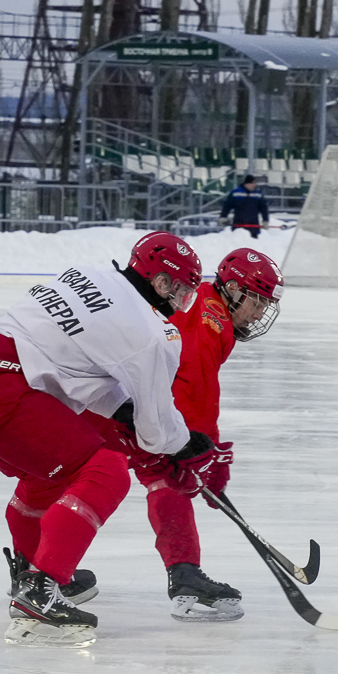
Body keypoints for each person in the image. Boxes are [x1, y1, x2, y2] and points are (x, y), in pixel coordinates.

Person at [0, 231, 226, 648]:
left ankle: (31, 568)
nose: (182, 301)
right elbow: (156, 431)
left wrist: (123, 410)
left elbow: (76, 369)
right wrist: (185, 443)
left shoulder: (87, 274)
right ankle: (42, 586)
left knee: (50, 474)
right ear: (161, 283)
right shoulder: (152, 333)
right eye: (180, 290)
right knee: (107, 470)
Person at [115, 247, 284, 622]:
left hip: (130, 394)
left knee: (96, 475)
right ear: (235, 291)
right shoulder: (211, 321)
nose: (259, 313)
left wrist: (209, 448)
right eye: (256, 302)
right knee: (164, 477)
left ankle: (38, 568)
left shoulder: (209, 306)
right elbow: (194, 392)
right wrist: (203, 447)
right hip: (127, 399)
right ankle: (185, 578)